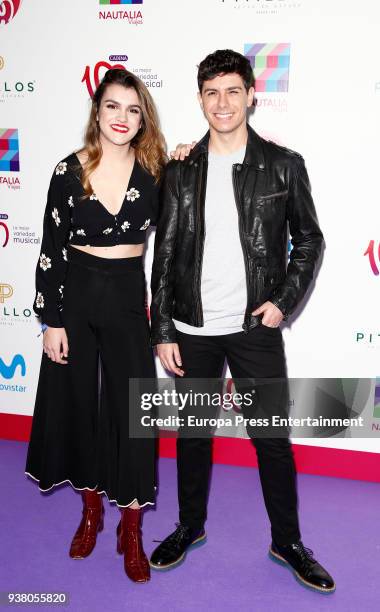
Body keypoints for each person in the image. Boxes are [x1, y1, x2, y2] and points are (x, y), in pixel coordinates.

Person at [150, 49, 335, 593]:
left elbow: (310, 239)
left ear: (252, 94)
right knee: (193, 435)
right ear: (200, 99)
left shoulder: (283, 164)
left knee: (272, 439)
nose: (222, 102)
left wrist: (283, 300)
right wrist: (162, 327)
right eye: (212, 92)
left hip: (255, 327)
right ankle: (189, 526)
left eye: (233, 90)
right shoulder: (181, 168)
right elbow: (164, 253)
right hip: (192, 327)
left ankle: (288, 541)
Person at [25, 68, 191, 583]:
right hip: (75, 295)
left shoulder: (158, 171)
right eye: (113, 106)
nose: (122, 117)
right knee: (80, 407)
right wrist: (51, 321)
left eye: (133, 109)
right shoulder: (66, 171)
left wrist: (192, 154)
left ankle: (133, 526)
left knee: (133, 411)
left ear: (143, 118)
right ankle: (92, 511)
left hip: (125, 296)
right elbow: (51, 251)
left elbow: (198, 199)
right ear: (97, 111)